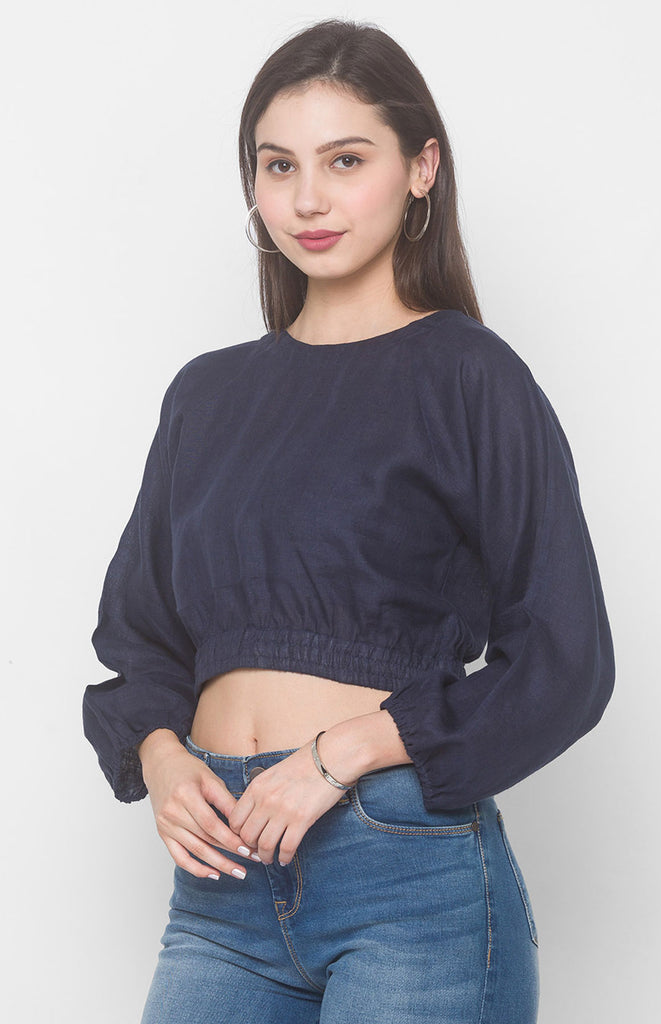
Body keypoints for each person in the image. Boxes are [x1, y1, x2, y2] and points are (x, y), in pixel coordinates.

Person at [82, 17, 615, 1024]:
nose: (307, 199)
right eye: (278, 164)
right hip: (220, 884)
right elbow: (141, 635)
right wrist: (160, 756)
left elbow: (563, 659)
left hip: (403, 879)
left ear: (421, 168)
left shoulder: (469, 376)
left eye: (345, 160)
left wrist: (344, 753)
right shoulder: (206, 395)